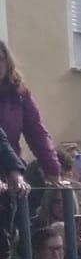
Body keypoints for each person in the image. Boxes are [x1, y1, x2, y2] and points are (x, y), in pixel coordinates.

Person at [0, 39, 60, 180]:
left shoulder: (19, 94)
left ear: (7, 62)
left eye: (0, 59)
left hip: (12, 170)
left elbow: (36, 132)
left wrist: (52, 169)